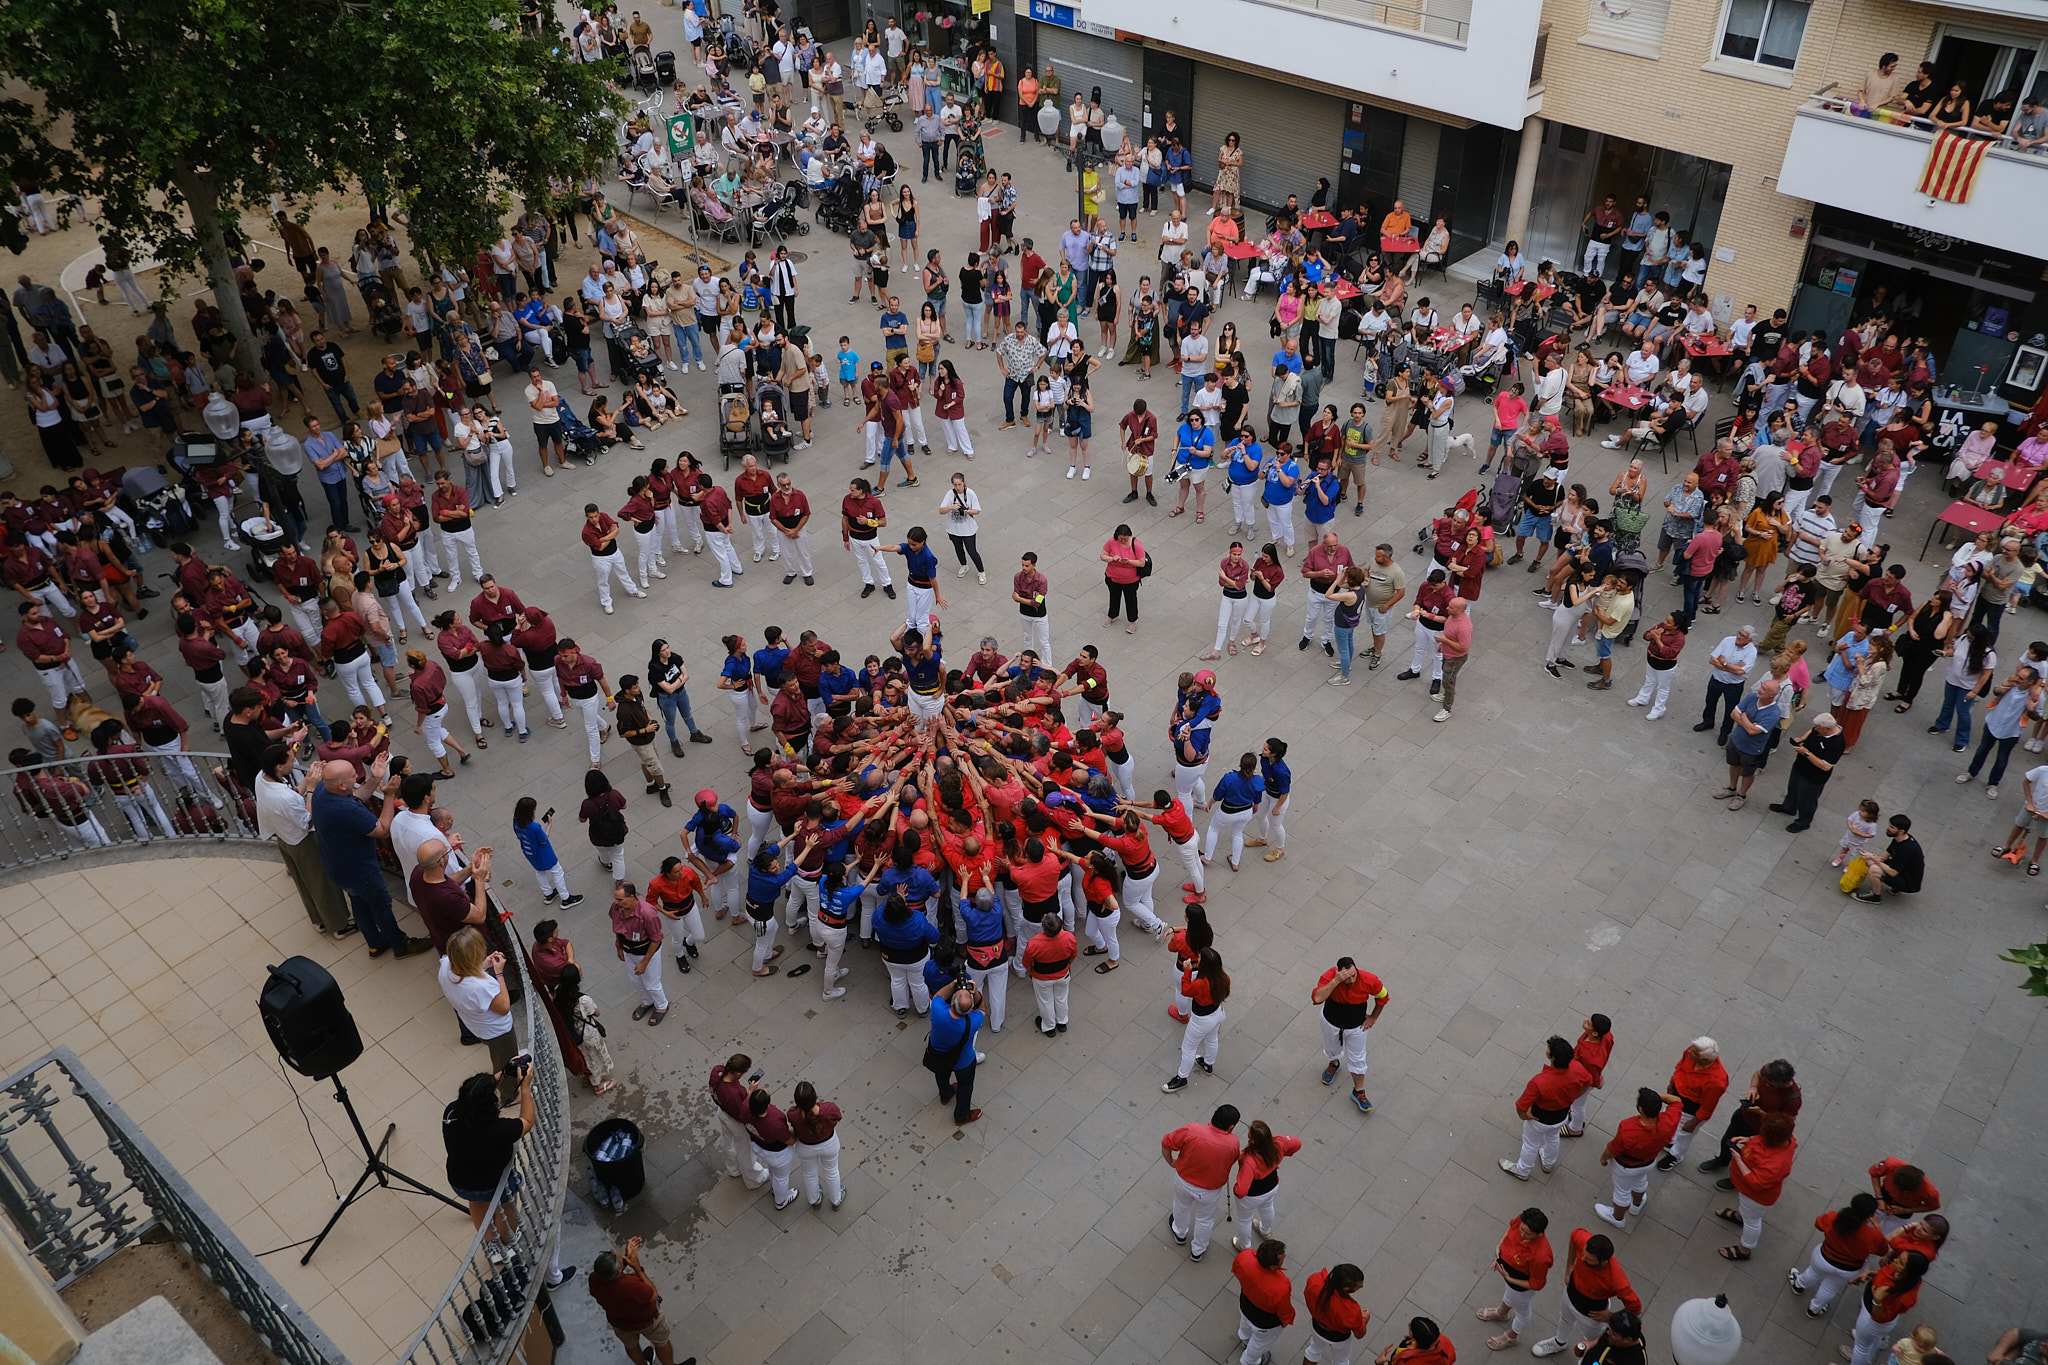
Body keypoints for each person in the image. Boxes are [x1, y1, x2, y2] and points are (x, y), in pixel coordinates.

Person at [1530, 1230, 1640, 1358]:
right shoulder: (1583, 1240)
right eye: (1583, 1254)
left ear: (1603, 1263)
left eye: (1588, 1260)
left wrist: (1611, 1316)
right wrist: (1570, 1265)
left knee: (1593, 1339)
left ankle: (1588, 1357)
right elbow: (1574, 1236)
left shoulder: (1617, 1280)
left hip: (1591, 1313)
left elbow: (1635, 1306)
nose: (1582, 1259)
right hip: (1570, 1293)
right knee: (1565, 1319)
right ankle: (1559, 1342)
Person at [439, 928, 519, 1099]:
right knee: (505, 1062)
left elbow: (467, 972)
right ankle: (508, 1095)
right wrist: (499, 973)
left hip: (476, 1025)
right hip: (498, 1031)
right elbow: (504, 1006)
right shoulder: (481, 986)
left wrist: (484, 966)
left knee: (498, 1054)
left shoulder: (446, 966)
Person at [1500, 1035, 1593, 1182]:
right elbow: (1589, 1082)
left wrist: (1525, 1116)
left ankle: (1522, 1170)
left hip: (1539, 1118)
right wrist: (1574, 1096)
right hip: (1561, 1117)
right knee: (1553, 1137)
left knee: (1530, 1144)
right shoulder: (1578, 1068)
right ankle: (1548, 1163)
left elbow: (1521, 1106)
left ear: (1552, 1058)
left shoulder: (1540, 1082)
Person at [586, 1238, 684, 1365]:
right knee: (662, 1342)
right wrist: (637, 1268)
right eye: (619, 1258)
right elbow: (653, 1295)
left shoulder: (594, 1280)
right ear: (619, 1271)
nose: (619, 1255)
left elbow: (611, 1276)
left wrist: (626, 1257)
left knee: (631, 1346)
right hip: (648, 1321)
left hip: (620, 1324)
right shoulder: (632, 1285)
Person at [1162, 1104, 1240, 1261]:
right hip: (1210, 1190)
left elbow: (1166, 1142)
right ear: (1231, 1126)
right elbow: (1232, 1160)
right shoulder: (1233, 1142)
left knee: (1181, 1207)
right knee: (1205, 1219)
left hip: (1184, 1181)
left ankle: (1180, 1232)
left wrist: (1171, 1161)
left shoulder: (1193, 1130)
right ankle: (1198, 1250)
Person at [1313, 956, 1390, 1114]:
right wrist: (1336, 981)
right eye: (1347, 977)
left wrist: (1374, 1017)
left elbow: (1383, 996)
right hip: (1331, 1023)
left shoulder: (1370, 980)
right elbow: (1318, 998)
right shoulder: (1330, 977)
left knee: (1358, 1058)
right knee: (1331, 1048)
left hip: (1357, 1027)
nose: (1352, 980)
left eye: (1354, 975)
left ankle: (1359, 1091)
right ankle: (1334, 1064)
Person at [1477, 1209, 1553, 1351]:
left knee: (1522, 1312)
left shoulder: (1541, 1257)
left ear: (1539, 1233)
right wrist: (1499, 1246)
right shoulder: (1523, 1220)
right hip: (1510, 1281)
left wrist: (1509, 1278)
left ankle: (1511, 1336)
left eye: (1527, 1234)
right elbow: (1511, 1229)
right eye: (1521, 1229)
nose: (1522, 1234)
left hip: (1520, 1285)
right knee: (1510, 1294)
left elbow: (1536, 1284)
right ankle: (1502, 1313)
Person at [1230, 1120, 1302, 1250]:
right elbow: (1297, 1143)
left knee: (1244, 1220)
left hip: (1252, 1195)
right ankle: (1265, 1230)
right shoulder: (1278, 1143)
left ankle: (1244, 1246)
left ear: (1252, 1141)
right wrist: (1285, 1153)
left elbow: (1241, 1190)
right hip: (1272, 1186)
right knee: (1267, 1208)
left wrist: (1235, 1190)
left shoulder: (1250, 1161)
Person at [1770, 710, 1845, 831]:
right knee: (1792, 789)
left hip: (1813, 777)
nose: (1816, 729)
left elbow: (1825, 766)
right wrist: (1802, 739)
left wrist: (1806, 753)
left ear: (1829, 728)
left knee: (1808, 801)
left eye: (1818, 728)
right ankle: (1788, 807)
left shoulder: (1837, 744)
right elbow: (1811, 731)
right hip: (1800, 766)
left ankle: (1803, 822)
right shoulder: (1819, 728)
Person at [925, 980, 984, 1125]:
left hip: (938, 1055)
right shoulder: (973, 1021)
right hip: (963, 1061)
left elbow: (938, 995)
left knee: (941, 1074)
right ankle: (961, 1116)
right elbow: (982, 1009)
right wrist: (975, 992)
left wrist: (953, 985)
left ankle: (945, 1094)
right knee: (966, 1087)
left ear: (951, 1001)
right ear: (970, 1008)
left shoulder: (938, 1011)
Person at [1230, 1239, 1294, 1365]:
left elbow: (1236, 1273)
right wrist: (1286, 1321)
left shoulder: (1244, 1257)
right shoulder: (1281, 1286)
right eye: (1282, 1258)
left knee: (1245, 1324)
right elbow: (1284, 1312)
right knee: (1259, 1344)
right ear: (1273, 1266)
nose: (1285, 1257)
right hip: (1264, 1322)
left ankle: (1245, 1339)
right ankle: (1249, 1361)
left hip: (1245, 1304)